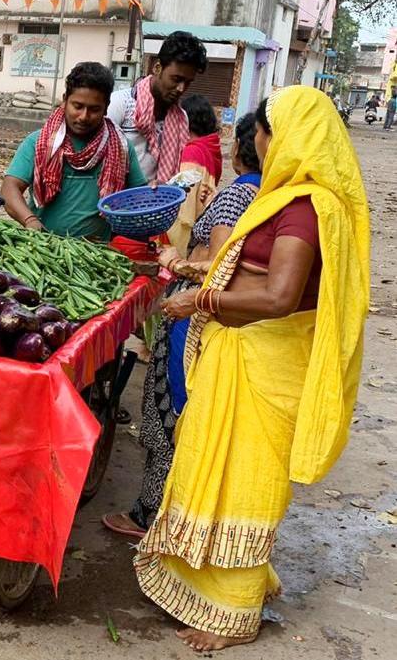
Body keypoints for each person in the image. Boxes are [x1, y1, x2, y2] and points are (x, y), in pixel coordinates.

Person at [133, 86, 370, 651]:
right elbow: (244, 268)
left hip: (268, 362)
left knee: (245, 482)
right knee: (214, 470)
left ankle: (233, 612)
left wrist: (203, 303)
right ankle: (213, 581)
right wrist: (190, 268)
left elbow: (279, 296)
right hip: (241, 354)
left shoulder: (308, 209)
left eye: (261, 128)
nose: (255, 139)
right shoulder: (282, 198)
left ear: (282, 135)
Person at [102, 113, 262, 540]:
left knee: (167, 419)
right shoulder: (267, 197)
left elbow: (219, 267)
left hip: (193, 321)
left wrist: (172, 258)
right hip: (222, 325)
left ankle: (149, 518)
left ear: (238, 151)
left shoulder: (234, 198)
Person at [1, 62, 146, 240]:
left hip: (97, 256)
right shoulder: (39, 142)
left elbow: (139, 198)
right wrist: (30, 220)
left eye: (94, 109)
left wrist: (154, 192)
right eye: (77, 106)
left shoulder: (121, 147)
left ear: (106, 106)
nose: (84, 116)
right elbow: (10, 188)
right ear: (65, 100)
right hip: (45, 249)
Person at [107, 31, 207, 183]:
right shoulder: (120, 104)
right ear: (157, 68)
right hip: (116, 201)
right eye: (176, 79)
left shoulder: (181, 118)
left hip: (154, 203)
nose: (181, 88)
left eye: (188, 82)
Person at [166, 94, 223, 254]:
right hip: (204, 222)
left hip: (189, 228)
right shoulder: (211, 147)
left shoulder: (192, 151)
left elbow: (184, 201)